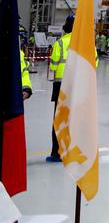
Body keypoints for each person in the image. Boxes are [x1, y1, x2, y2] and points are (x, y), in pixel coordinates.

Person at [46, 16, 74, 162]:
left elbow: (53, 65)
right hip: (78, 85)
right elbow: (94, 63)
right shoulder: (87, 44)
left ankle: (57, 153)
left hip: (61, 85)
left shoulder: (60, 43)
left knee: (59, 119)